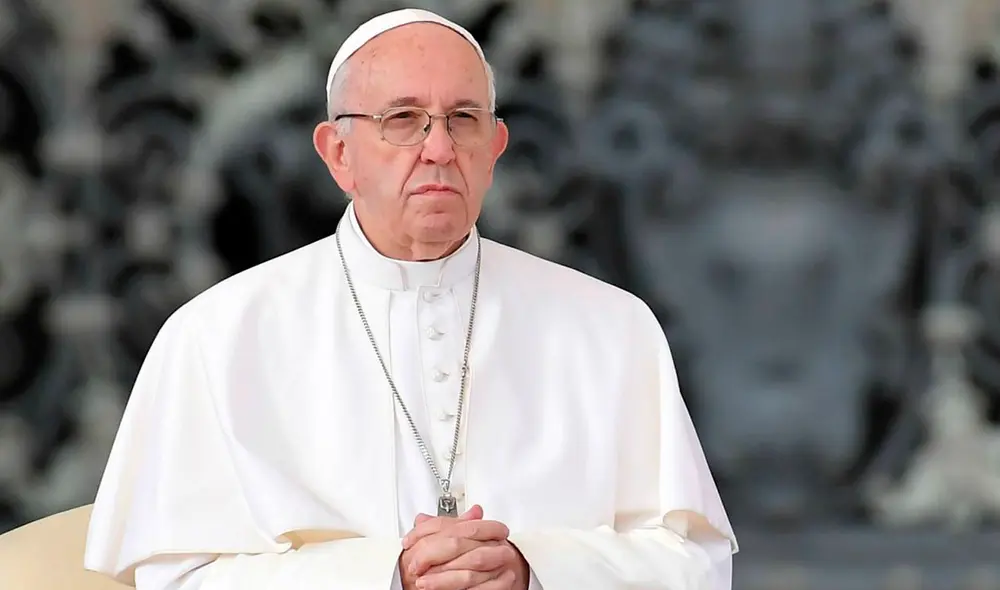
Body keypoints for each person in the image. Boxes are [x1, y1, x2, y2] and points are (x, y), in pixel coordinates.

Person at [83, 7, 738, 590]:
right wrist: (387, 574)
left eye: (463, 119)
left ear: (495, 147)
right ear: (338, 153)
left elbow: (695, 565)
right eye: (402, 120)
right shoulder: (216, 335)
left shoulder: (611, 326)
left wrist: (531, 569)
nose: (439, 149)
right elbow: (174, 578)